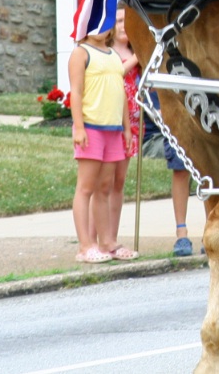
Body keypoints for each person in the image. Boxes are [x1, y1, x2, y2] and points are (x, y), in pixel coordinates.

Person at [68, 15, 132, 263]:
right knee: (86, 188)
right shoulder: (80, 54)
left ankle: (107, 242)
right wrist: (80, 127)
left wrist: (126, 128)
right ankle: (86, 246)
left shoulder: (114, 55)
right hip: (92, 128)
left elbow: (121, 93)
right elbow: (76, 92)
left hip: (113, 130)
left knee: (105, 187)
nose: (102, 28)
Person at [88, 6, 140, 261]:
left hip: (131, 121)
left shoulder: (132, 50)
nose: (121, 26)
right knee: (101, 184)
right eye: (117, 21)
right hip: (109, 119)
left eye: (125, 21)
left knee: (119, 181)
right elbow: (119, 72)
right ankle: (92, 240)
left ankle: (111, 238)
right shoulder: (107, 54)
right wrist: (140, 56)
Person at [140, 97, 195, 257]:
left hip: (200, 111)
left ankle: (211, 229)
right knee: (180, 170)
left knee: (210, 171)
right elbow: (158, 112)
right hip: (176, 118)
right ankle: (181, 233)